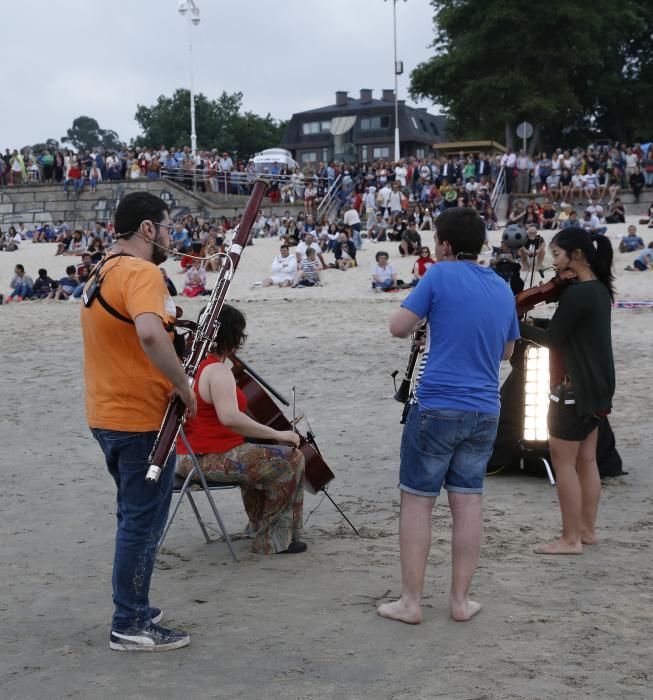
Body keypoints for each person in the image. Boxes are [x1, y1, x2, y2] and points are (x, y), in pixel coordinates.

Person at [377, 207, 518, 624]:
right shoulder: (501, 286)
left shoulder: (439, 274)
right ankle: (460, 600)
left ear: (446, 245)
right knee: (468, 500)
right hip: (484, 408)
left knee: (418, 500)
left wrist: (431, 320)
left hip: (439, 404)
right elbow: (507, 352)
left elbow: (398, 326)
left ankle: (412, 602)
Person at [80, 191, 197, 652]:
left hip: (107, 412)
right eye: (166, 226)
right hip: (138, 418)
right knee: (142, 522)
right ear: (147, 229)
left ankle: (134, 604)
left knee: (133, 514)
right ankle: (129, 621)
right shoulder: (142, 271)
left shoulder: (102, 269)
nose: (171, 236)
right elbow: (149, 332)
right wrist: (185, 387)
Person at [176, 304, 306, 554]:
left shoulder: (191, 364)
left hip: (187, 456)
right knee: (292, 459)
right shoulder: (217, 370)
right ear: (233, 337)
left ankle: (257, 525)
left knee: (258, 457)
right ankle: (272, 540)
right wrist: (279, 434)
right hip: (207, 459)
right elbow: (230, 418)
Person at [520, 227, 615, 554]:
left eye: (557, 255)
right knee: (588, 461)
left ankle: (569, 539)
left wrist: (514, 323)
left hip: (571, 390)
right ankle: (587, 531)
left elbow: (551, 340)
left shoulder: (574, 295)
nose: (554, 263)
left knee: (564, 465)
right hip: (598, 388)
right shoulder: (600, 289)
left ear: (576, 255)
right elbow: (572, 333)